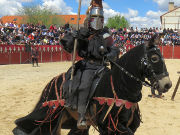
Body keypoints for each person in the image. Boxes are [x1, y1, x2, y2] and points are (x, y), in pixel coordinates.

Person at [60, 0, 120, 129]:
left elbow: (114, 48)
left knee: (114, 84)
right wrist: (74, 37)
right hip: (87, 66)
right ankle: (81, 115)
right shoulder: (83, 32)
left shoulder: (106, 34)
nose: (98, 20)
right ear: (90, 18)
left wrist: (110, 54)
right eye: (95, 17)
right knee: (84, 85)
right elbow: (69, 46)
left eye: (100, 18)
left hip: (102, 66)